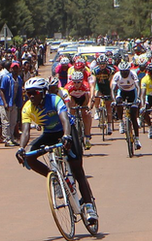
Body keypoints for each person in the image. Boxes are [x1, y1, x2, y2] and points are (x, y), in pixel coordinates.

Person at [15, 78, 98, 222]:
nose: (31, 96)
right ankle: (54, 178)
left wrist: (66, 136)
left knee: (77, 168)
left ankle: (89, 205)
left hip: (67, 130)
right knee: (29, 156)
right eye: (28, 94)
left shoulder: (54, 100)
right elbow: (26, 131)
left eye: (34, 92)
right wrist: (21, 148)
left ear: (42, 92)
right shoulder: (27, 108)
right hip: (49, 134)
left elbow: (65, 120)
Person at [111, 61, 141, 149]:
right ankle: (121, 122)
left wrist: (138, 98)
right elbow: (113, 90)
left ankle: (137, 139)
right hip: (122, 92)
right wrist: (113, 100)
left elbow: (138, 87)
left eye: (126, 71)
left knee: (133, 116)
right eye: (122, 71)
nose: (124, 73)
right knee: (118, 103)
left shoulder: (133, 74)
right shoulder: (117, 75)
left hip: (132, 92)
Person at [64, 71, 93, 149]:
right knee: (71, 112)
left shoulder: (85, 85)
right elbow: (65, 99)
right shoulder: (68, 87)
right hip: (73, 99)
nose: (76, 84)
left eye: (78, 82)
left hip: (83, 99)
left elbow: (89, 98)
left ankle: (87, 138)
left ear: (82, 81)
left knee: (86, 114)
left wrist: (88, 107)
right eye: (74, 82)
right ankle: (73, 133)